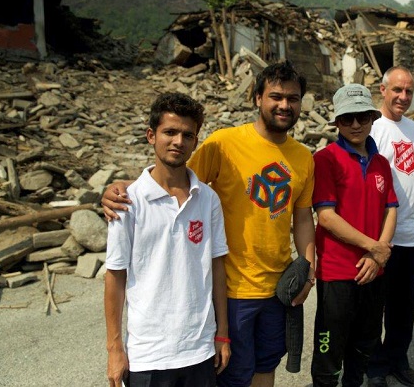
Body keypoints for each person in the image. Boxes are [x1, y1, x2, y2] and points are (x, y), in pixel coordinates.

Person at [102, 61, 316, 387]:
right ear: (257, 98)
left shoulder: (303, 157)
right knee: (232, 376)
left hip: (278, 287)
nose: (285, 105)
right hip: (233, 289)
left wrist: (308, 266)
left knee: (266, 365)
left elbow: (302, 216)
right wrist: (124, 188)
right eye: (276, 96)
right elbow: (176, 180)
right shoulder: (224, 144)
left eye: (293, 98)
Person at [104, 92, 230, 387]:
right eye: (169, 132)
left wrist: (221, 333)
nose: (178, 141)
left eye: (187, 134)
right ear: (151, 135)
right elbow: (115, 276)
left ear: (196, 141)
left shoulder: (208, 199)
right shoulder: (128, 201)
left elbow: (217, 268)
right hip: (148, 355)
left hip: (199, 350)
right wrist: (114, 349)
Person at [311, 83, 398, 387]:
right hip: (337, 273)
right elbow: (326, 216)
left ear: (373, 117)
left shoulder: (381, 163)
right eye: (347, 118)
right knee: (329, 347)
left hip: (374, 270)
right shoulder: (325, 159)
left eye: (362, 116)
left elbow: (390, 209)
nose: (356, 124)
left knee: (365, 342)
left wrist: (379, 252)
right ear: (337, 122)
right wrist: (374, 247)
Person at [366, 67, 414, 387]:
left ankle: (398, 360)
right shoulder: (372, 128)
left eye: (408, 92)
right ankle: (375, 367)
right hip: (383, 237)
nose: (403, 97)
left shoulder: (413, 128)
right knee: (375, 305)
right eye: (397, 90)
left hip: (413, 235)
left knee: (404, 306)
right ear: (383, 89)